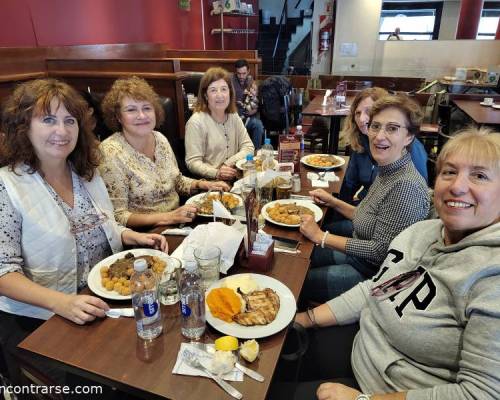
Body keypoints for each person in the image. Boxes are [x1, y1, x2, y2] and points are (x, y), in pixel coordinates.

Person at [282, 127, 500, 400]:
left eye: (479, 176)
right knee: (275, 356)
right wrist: (306, 319)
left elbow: (481, 394)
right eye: (449, 172)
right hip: (366, 344)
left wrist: (363, 399)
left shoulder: (491, 279)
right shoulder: (422, 233)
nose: (457, 186)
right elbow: (376, 288)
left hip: (388, 388)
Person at [0, 78, 167, 385]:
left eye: (69, 120)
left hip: (101, 302)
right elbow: (3, 273)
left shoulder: (84, 170)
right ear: (23, 126)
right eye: (48, 120)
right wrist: (59, 302)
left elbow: (99, 224)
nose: (62, 131)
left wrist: (132, 236)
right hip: (40, 320)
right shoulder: (7, 186)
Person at [300, 94, 430, 302]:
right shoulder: (388, 169)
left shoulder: (406, 185)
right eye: (375, 126)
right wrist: (332, 201)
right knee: (300, 256)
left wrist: (321, 237)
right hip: (357, 257)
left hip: (371, 275)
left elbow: (381, 251)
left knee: (296, 282)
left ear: (409, 137)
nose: (379, 136)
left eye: (392, 128)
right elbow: (365, 214)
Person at [98, 76, 229, 229]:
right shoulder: (110, 153)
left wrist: (203, 184)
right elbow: (118, 216)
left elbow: (177, 181)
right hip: (147, 234)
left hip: (180, 219)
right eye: (131, 110)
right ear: (118, 116)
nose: (142, 115)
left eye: (147, 108)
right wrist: (169, 217)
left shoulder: (160, 139)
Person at [339, 87, 428, 205]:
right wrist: (336, 206)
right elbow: (350, 183)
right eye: (357, 113)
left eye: (368, 112)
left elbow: (417, 196)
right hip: (366, 205)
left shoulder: (412, 149)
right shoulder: (361, 140)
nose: (361, 119)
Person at [185, 67, 254, 181]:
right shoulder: (196, 122)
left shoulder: (233, 116)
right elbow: (193, 162)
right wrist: (216, 172)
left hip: (236, 178)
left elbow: (248, 147)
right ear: (206, 95)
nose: (220, 95)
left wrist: (227, 164)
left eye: (223, 89)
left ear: (230, 93)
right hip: (211, 184)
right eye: (213, 90)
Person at [232, 59, 265, 149]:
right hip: (234, 118)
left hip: (248, 117)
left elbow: (256, 101)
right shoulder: (230, 82)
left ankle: (255, 153)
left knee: (258, 125)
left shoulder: (251, 81)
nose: (241, 76)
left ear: (248, 71)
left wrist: (254, 110)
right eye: (239, 73)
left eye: (244, 73)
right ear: (236, 72)